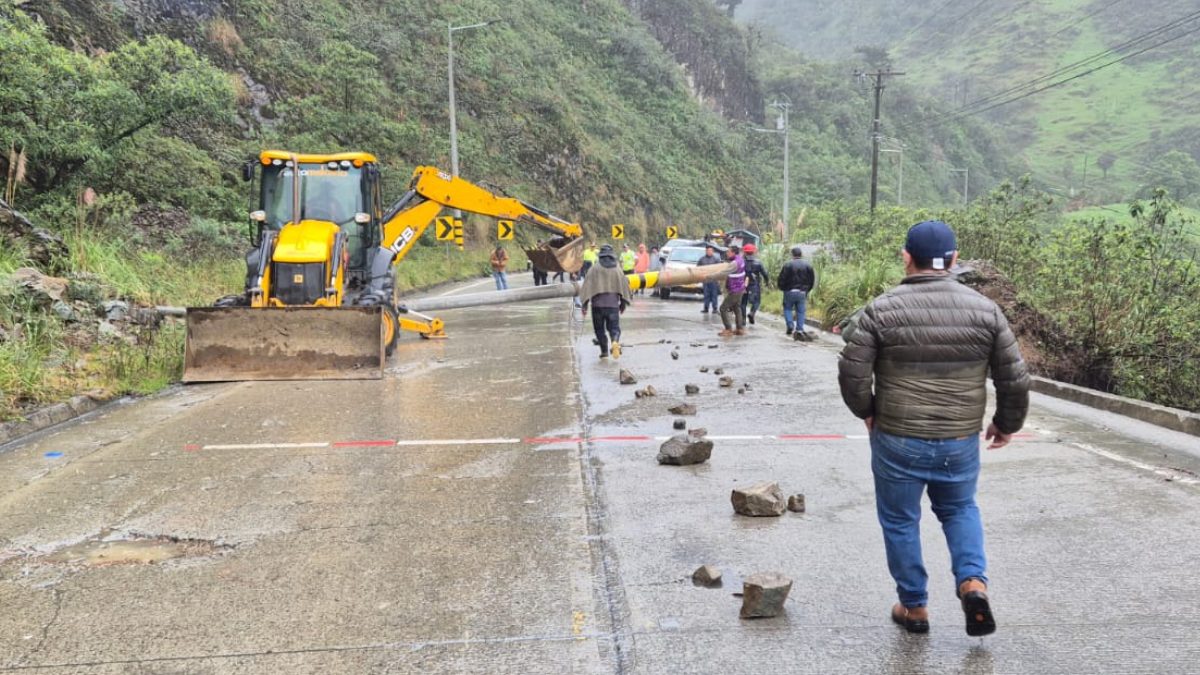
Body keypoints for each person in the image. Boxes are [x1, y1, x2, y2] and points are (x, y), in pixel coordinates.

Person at [836, 220, 1030, 637]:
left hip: (897, 437)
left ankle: (915, 608)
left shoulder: (881, 308)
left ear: (906, 257)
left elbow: (852, 371)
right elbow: (1014, 377)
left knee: (901, 521)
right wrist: (1006, 423)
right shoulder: (985, 310)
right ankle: (972, 582)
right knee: (960, 509)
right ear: (955, 260)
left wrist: (867, 411)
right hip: (959, 438)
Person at [579, 244, 633, 359]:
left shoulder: (594, 269)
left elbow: (587, 287)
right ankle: (614, 341)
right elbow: (623, 286)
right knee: (614, 328)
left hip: (597, 306)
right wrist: (622, 304)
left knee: (599, 330)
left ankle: (604, 353)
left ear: (600, 256)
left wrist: (584, 306)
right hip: (613, 305)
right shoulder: (617, 269)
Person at [777, 244, 816, 339]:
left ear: (792, 254)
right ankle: (800, 329)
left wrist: (783, 288)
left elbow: (782, 278)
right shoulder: (808, 265)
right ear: (801, 254)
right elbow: (811, 280)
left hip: (789, 291)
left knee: (787, 309)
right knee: (801, 311)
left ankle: (790, 324)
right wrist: (807, 290)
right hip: (802, 292)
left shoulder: (787, 264)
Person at [717, 244, 746, 336]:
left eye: (728, 251)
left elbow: (723, 273)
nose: (727, 253)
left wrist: (708, 277)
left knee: (723, 308)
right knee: (737, 308)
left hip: (735, 290)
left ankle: (728, 329)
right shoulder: (740, 260)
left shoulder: (734, 263)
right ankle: (739, 329)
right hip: (740, 288)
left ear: (733, 252)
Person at [740, 243, 769, 325]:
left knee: (743, 303)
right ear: (753, 252)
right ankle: (752, 313)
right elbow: (765, 273)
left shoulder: (741, 262)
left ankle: (743, 319)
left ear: (745, 252)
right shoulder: (758, 263)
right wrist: (767, 281)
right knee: (757, 301)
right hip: (754, 286)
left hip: (743, 285)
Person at [697, 244, 722, 314]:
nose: (709, 252)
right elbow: (697, 268)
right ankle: (706, 308)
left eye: (711, 250)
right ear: (706, 251)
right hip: (705, 280)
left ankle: (715, 308)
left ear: (713, 251)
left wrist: (719, 279)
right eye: (708, 250)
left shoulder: (716, 259)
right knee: (706, 294)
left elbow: (719, 270)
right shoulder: (702, 259)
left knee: (714, 294)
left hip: (714, 280)